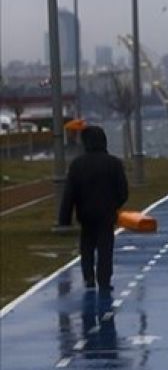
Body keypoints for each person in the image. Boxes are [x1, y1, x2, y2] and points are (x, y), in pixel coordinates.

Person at [58, 125, 128, 291]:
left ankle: (88, 277)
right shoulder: (114, 163)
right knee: (105, 248)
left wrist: (64, 219)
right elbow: (123, 191)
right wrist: (114, 205)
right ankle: (104, 279)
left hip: (86, 214)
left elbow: (69, 194)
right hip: (106, 214)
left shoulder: (77, 165)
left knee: (87, 247)